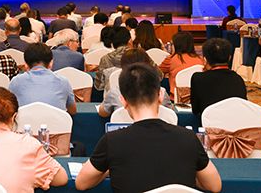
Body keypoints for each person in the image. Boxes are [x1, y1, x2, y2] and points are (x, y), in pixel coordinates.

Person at [76, 63, 221, 193]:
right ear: (160, 96)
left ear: (124, 101)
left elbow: (81, 184)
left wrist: (109, 169)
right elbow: (214, 186)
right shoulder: (188, 137)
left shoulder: (112, 141)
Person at [98, 48, 170, 118]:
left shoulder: (115, 93)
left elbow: (103, 113)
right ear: (148, 65)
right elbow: (170, 114)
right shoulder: (161, 93)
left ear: (123, 68)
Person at [8, 43, 76, 114]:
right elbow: (72, 111)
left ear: (26, 65)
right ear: (51, 63)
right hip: (55, 121)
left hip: (25, 121)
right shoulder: (63, 82)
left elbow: (10, 110)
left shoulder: (15, 82)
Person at [190, 38, 247, 118]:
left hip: (209, 123)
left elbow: (195, 110)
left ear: (205, 59)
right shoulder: (238, 79)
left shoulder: (198, 78)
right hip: (234, 122)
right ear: (229, 58)